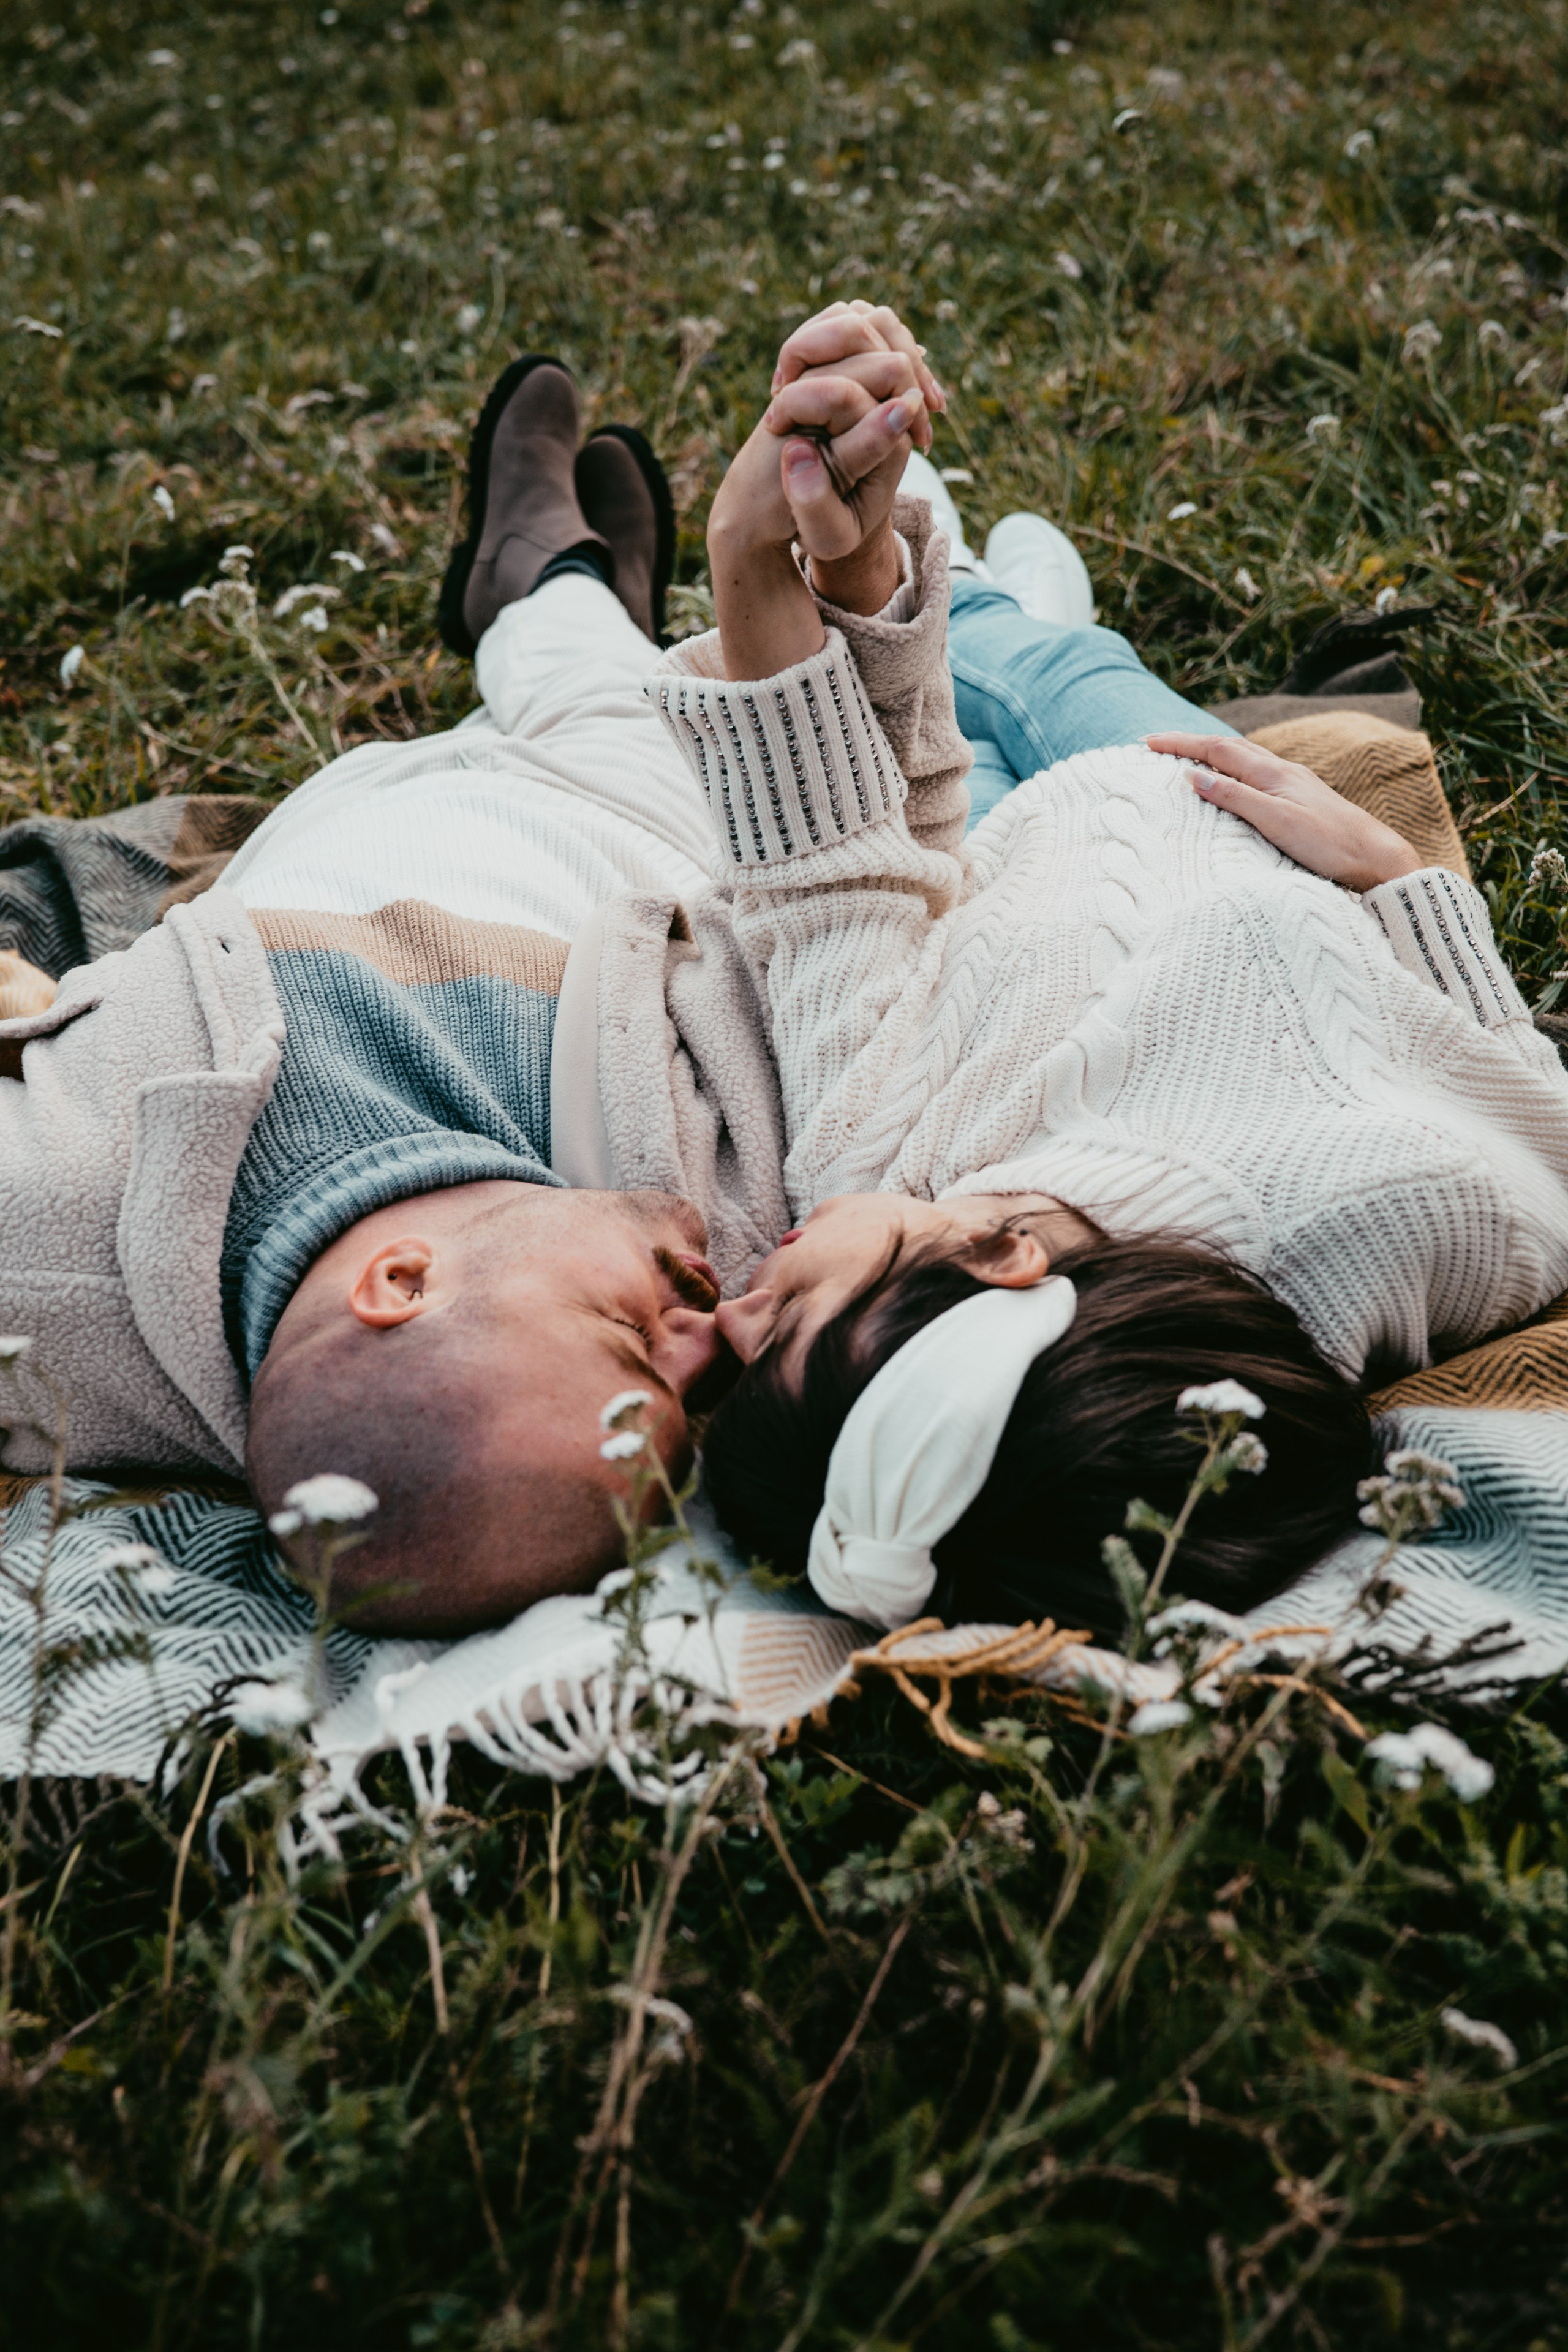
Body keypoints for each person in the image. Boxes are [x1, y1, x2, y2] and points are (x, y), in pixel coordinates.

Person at [650, 307, 1568, 1638]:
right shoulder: (1387, 1219)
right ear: (1002, 1257)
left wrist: (766, 565)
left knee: (971, 693)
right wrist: (1394, 877)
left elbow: (833, 883)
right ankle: (996, 595)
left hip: (990, 848)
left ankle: (963, 587)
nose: (725, 1331)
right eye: (775, 1334)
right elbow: (1540, 1127)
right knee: (1062, 668)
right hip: (1212, 798)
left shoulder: (869, 1181)